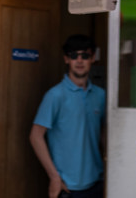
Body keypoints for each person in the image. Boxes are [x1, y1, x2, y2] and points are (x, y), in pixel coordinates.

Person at [29, 35, 105, 198]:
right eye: (73, 55)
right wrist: (54, 177)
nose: (79, 60)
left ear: (92, 59)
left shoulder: (100, 95)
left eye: (84, 56)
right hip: (67, 186)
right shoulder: (55, 96)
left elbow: (104, 132)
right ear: (66, 59)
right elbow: (36, 135)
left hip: (97, 182)